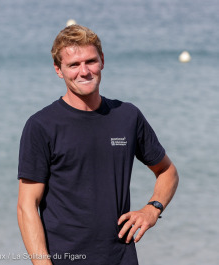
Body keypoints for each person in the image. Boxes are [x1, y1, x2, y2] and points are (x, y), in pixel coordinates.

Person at [17, 25, 179, 265]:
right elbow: (27, 206)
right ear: (58, 70)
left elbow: (167, 171)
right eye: (73, 65)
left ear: (102, 61)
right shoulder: (41, 126)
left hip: (121, 258)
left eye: (90, 61)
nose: (84, 71)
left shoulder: (127, 116)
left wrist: (152, 208)